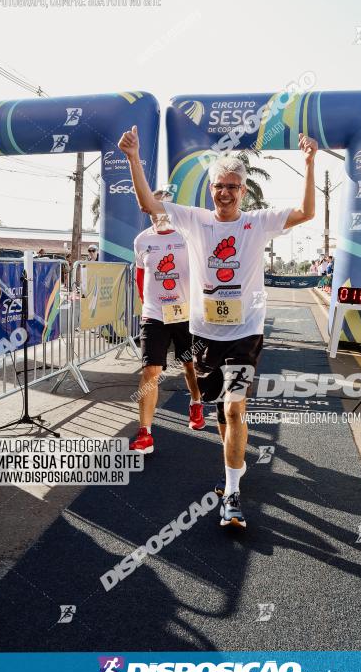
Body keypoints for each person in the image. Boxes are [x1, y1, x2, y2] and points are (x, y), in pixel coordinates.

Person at [118, 125, 317, 528]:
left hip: (246, 333)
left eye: (232, 186)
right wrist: (133, 158)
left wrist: (310, 164)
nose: (224, 192)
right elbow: (145, 202)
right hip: (204, 334)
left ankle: (232, 496)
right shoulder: (194, 220)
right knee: (221, 415)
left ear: (243, 191)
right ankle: (232, 473)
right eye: (218, 186)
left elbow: (307, 212)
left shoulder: (258, 223)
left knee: (234, 406)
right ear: (210, 190)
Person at [130, 189, 205, 454]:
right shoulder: (141, 240)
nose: (156, 214)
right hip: (154, 315)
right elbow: (141, 277)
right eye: (152, 209)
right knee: (151, 371)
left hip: (185, 315)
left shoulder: (187, 237)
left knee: (189, 365)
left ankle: (196, 401)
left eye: (161, 209)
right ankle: (145, 433)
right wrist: (147, 305)